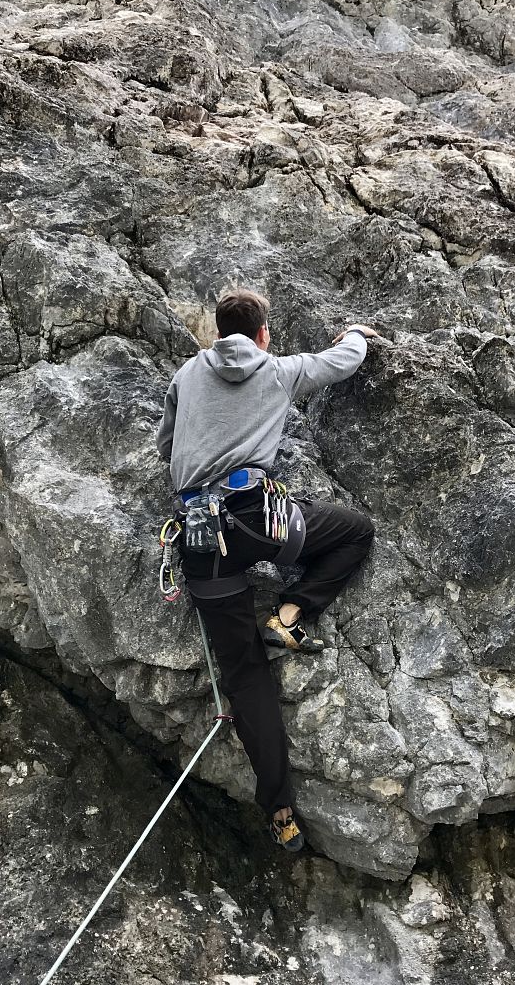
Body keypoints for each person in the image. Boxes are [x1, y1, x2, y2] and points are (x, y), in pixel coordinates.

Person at [155, 287, 378, 852]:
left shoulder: (186, 374)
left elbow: (166, 445)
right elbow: (343, 362)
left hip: (201, 535)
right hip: (262, 522)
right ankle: (292, 612)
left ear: (215, 331)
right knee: (354, 531)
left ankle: (280, 810)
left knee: (245, 676)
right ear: (263, 335)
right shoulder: (278, 371)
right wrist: (355, 333)